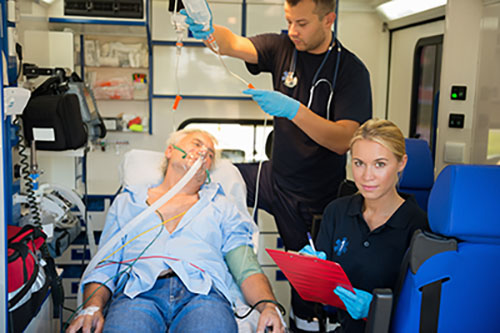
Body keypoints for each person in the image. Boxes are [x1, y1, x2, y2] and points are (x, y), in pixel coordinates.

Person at [182, 0, 372, 328]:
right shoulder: (282, 47)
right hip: (274, 177)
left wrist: (294, 110)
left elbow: (345, 139)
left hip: (315, 197)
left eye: (302, 23)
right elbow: (234, 44)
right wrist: (210, 32)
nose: (293, 31)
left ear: (329, 19)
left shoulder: (351, 72)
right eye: (288, 22)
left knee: (308, 291)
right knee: (217, 176)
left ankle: (305, 324)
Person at [66, 129, 285, 333]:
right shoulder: (129, 202)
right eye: (197, 144)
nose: (202, 153)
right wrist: (91, 308)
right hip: (137, 294)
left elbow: (245, 267)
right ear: (170, 151)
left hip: (204, 295)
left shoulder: (221, 207)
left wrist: (268, 306)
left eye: (209, 154)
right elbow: (106, 264)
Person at [300, 119, 429, 332]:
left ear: (401, 163)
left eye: (379, 164)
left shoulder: (420, 227)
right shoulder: (337, 212)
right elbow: (323, 296)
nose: (367, 176)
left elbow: (423, 309)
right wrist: (309, 271)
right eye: (359, 163)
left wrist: (376, 309)